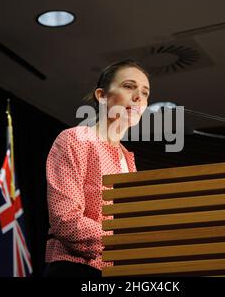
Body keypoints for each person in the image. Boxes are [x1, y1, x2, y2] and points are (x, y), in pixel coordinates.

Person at [45, 59, 150, 277]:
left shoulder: (127, 159)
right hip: (75, 269)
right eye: (129, 86)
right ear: (101, 96)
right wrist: (121, 242)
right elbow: (66, 220)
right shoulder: (74, 139)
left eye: (145, 92)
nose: (139, 97)